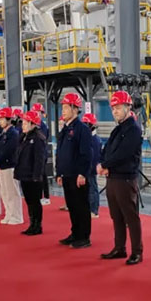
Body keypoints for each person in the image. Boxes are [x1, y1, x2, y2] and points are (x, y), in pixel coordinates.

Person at [98, 90, 143, 265]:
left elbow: (124, 153)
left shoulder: (134, 129)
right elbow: (107, 149)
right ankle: (119, 247)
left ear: (127, 107)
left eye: (118, 107)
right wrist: (103, 163)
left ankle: (137, 251)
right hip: (113, 178)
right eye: (113, 108)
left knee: (130, 217)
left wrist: (105, 165)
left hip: (125, 179)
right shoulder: (118, 129)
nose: (115, 111)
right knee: (116, 216)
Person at [56, 93, 93, 248]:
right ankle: (75, 233)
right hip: (66, 174)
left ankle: (84, 236)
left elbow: (86, 153)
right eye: (63, 107)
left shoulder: (82, 129)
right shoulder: (65, 129)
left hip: (77, 175)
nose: (63, 111)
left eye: (66, 107)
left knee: (81, 206)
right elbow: (60, 151)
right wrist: (59, 172)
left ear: (75, 109)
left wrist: (82, 173)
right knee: (72, 206)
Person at [14, 111, 47, 236]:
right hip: (24, 173)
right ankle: (32, 223)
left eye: (25, 123)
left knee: (35, 201)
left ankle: (37, 225)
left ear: (32, 124)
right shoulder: (24, 137)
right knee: (29, 201)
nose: (23, 125)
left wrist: (37, 176)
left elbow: (39, 159)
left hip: (33, 176)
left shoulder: (38, 138)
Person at [0, 107, 23, 225]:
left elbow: (8, 150)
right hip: (2, 165)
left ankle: (16, 216)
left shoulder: (13, 134)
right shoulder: (3, 133)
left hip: (10, 165)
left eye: (2, 119)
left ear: (9, 119)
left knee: (12, 192)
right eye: (0, 119)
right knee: (4, 192)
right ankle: (9, 213)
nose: (0, 121)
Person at [82, 112, 102, 219]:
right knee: (88, 190)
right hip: (87, 169)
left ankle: (94, 210)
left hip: (91, 169)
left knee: (92, 190)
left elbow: (94, 157)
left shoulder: (94, 140)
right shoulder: (89, 138)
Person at [31, 103, 52, 206]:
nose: (37, 114)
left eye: (38, 112)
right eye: (35, 112)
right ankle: (38, 196)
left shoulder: (43, 126)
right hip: (35, 153)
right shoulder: (34, 125)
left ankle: (46, 196)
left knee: (42, 175)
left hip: (42, 154)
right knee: (37, 175)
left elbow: (43, 139)